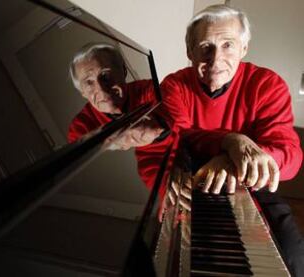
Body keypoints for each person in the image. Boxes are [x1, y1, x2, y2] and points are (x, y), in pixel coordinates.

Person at [161, 4, 303, 275]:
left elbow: (290, 154)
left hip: (254, 188)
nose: (215, 59)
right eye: (205, 47)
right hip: (194, 182)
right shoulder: (174, 86)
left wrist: (233, 161)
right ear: (189, 50)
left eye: (228, 45)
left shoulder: (268, 84)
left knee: (293, 258)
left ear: (244, 48)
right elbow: (180, 136)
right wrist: (231, 140)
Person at [68, 42, 172, 191]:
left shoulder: (150, 89)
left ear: (123, 71)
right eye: (89, 82)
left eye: (105, 75)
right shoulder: (82, 124)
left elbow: (176, 110)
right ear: (83, 93)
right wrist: (121, 137)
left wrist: (159, 127)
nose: (102, 90)